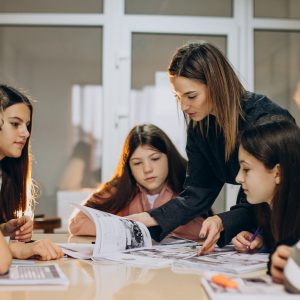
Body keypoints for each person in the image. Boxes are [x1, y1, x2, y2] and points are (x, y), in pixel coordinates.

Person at [126, 41, 294, 254]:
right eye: (178, 98)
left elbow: (272, 191)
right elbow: (197, 191)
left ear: (215, 85)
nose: (184, 107)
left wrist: (230, 222)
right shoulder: (201, 126)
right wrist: (151, 217)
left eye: (191, 96)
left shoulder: (266, 121)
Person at [69, 124, 207, 241]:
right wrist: (126, 228)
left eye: (155, 158)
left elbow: (203, 228)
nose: (147, 169)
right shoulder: (119, 189)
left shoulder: (189, 187)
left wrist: (153, 223)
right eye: (137, 163)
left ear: (168, 157)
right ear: (129, 167)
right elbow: (77, 222)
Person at [230, 116, 300, 286]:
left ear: (277, 173)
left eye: (246, 169)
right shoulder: (267, 210)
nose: (238, 178)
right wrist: (263, 242)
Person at [0, 84, 63, 261]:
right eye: (15, 124)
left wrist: (5, 230)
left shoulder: (5, 174)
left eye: (27, 125)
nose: (26, 133)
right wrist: (16, 249)